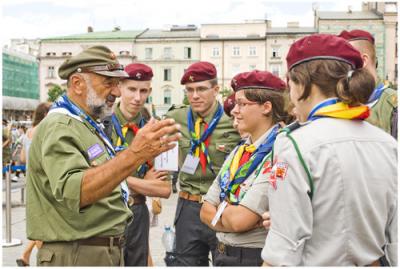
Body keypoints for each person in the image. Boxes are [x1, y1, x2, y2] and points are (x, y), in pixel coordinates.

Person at [26, 45, 181, 266]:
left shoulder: (86, 124)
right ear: (78, 84)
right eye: (108, 83)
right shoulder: (60, 126)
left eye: (117, 84)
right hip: (78, 254)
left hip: (96, 250)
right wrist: (136, 154)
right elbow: (77, 191)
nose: (117, 92)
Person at [261, 34, 397, 266]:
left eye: (289, 84)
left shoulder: (294, 145)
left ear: (302, 84)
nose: (290, 95)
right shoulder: (388, 144)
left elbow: (283, 248)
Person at [200, 70, 290, 266]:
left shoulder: (281, 152)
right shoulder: (241, 150)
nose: (234, 110)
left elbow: (240, 219)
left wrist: (220, 216)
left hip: (253, 257)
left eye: (242, 104)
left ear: (266, 107)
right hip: (223, 253)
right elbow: (204, 211)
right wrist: (227, 219)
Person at [165, 61, 241, 266]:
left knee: (226, 261)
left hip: (221, 206)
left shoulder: (232, 117)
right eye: (189, 90)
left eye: (201, 89)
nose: (194, 96)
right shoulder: (175, 117)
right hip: (188, 206)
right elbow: (163, 155)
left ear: (216, 90)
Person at [104, 63, 171, 266]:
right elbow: (90, 176)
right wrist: (139, 181)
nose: (137, 97)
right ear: (119, 88)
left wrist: (114, 176)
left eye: (143, 91)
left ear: (149, 91)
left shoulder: (157, 131)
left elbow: (164, 189)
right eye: (132, 89)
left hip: (137, 212)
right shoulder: (100, 125)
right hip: (106, 210)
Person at [338, 29, 398, 138]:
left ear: (363, 60)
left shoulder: (394, 105)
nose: (339, 70)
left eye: (344, 62)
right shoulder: (337, 102)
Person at [16, 102, 52, 267]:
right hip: (44, 180)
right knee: (44, 221)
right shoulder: (45, 130)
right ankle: (41, 260)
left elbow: (23, 158)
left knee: (39, 219)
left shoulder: (29, 132)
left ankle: (26, 254)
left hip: (30, 179)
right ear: (45, 114)